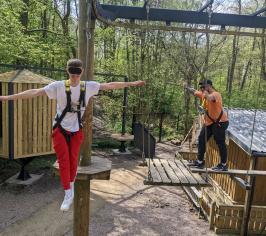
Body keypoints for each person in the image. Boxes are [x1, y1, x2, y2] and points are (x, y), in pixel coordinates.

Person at [0, 58, 145, 211]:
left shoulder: (88, 87)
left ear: (81, 72)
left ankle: (71, 186)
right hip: (60, 129)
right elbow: (35, 92)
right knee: (64, 160)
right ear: (67, 71)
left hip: (76, 129)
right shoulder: (58, 86)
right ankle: (68, 193)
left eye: (77, 73)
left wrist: (131, 84)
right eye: (72, 73)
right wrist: (6, 98)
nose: (75, 76)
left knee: (74, 159)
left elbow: (110, 85)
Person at [185, 79, 229, 171]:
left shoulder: (216, 94)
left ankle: (223, 164)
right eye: (200, 87)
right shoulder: (203, 94)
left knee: (220, 142)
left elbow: (210, 98)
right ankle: (200, 162)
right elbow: (194, 92)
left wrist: (205, 93)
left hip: (220, 122)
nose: (201, 89)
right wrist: (187, 87)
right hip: (209, 123)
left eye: (203, 87)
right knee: (201, 139)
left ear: (209, 86)